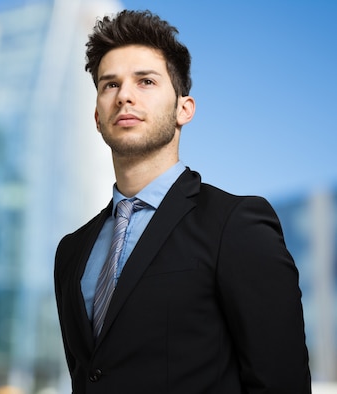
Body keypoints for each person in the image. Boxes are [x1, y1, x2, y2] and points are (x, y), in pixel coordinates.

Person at [54, 9, 311, 394]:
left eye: (146, 81)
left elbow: (281, 383)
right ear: (96, 116)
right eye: (110, 85)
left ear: (183, 109)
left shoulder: (235, 225)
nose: (124, 95)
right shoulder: (71, 251)